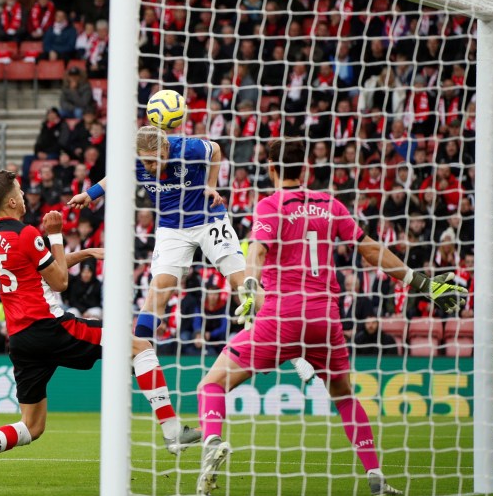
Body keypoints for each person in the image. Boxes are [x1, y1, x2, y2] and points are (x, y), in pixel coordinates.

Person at [194, 139, 465, 496]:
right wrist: (422, 283)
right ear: (305, 169)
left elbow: (257, 250)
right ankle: (375, 474)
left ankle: (212, 441)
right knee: (344, 395)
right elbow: (369, 250)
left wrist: (248, 284)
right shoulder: (330, 204)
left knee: (212, 384)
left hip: (282, 316)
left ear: (271, 168)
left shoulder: (270, 206)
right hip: (326, 319)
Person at [0, 170, 200, 483]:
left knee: (32, 426)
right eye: (20, 193)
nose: (24, 197)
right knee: (140, 348)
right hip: (50, 326)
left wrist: (89, 252)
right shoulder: (27, 235)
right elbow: (60, 280)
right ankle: (173, 432)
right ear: (11, 201)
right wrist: (55, 235)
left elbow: (40, 267)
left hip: (21, 339)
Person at [68, 126, 316, 383]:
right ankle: (138, 355)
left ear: (165, 149)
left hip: (209, 220)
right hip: (171, 228)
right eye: (146, 160)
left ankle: (297, 351)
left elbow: (217, 150)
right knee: (159, 289)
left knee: (242, 283)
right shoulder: (136, 160)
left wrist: (210, 185)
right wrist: (89, 194)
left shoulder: (188, 148)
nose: (150, 166)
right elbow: (117, 175)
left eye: (154, 159)